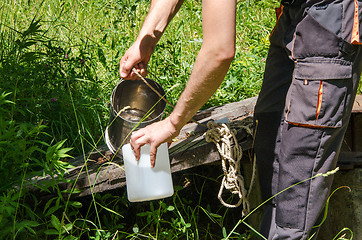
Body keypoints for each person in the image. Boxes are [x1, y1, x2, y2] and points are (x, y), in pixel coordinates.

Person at [119, 0, 362, 239]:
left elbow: (219, 51)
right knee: (269, 142)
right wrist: (146, 40)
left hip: (331, 16)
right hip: (295, 13)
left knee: (297, 181)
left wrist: (173, 124)